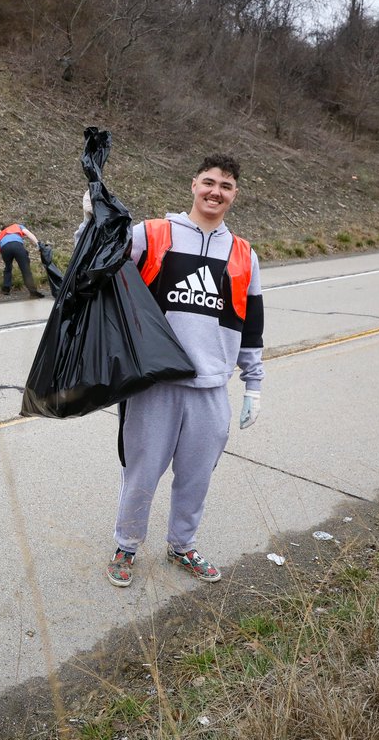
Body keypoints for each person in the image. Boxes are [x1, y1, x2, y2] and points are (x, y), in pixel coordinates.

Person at [79, 156, 265, 587]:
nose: (216, 192)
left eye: (226, 186)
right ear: (194, 185)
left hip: (210, 388)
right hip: (154, 383)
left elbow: (252, 325)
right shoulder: (152, 233)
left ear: (235, 194)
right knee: (141, 472)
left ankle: (182, 545)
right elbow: (97, 261)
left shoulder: (244, 255)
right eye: (209, 182)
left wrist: (253, 385)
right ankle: (126, 545)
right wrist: (91, 221)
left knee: (197, 477)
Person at [0, 222, 46, 297]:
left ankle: (6, 288)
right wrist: (38, 244)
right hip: (17, 245)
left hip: (5, 248)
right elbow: (28, 233)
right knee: (25, 269)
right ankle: (33, 292)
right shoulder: (17, 226)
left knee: (8, 267)